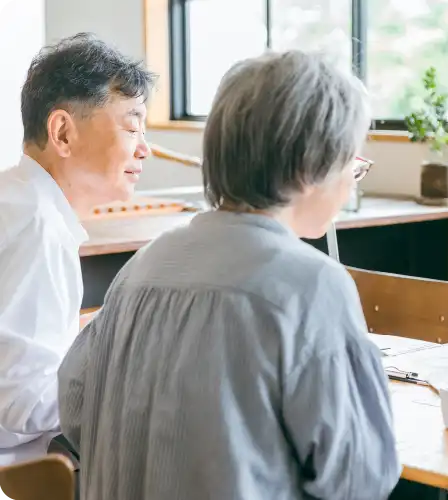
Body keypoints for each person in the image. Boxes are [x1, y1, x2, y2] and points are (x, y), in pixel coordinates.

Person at [57, 50, 401, 500]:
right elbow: (359, 476)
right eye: (351, 161)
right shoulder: (311, 285)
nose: (353, 180)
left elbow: (76, 409)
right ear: (310, 164)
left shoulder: (144, 265)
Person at [0, 32, 153, 466]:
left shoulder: (17, 198)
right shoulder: (38, 227)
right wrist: (124, 373)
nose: (144, 148)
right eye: (131, 125)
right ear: (63, 131)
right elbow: (24, 404)